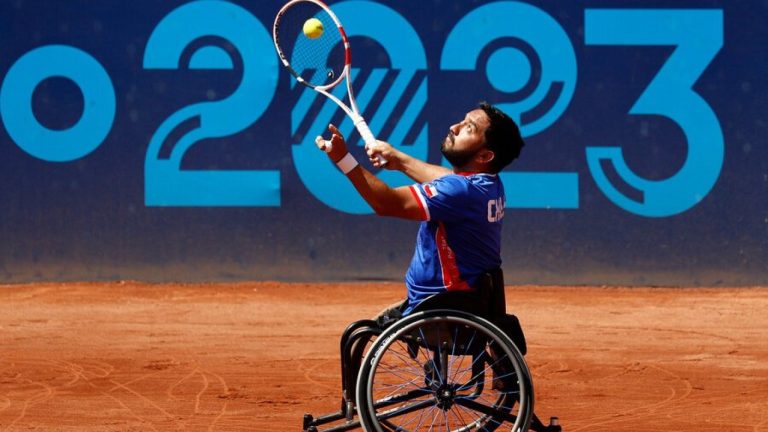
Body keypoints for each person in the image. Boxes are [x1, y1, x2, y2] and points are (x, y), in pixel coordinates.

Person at [315, 102, 524, 321]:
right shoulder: (490, 184)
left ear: (484, 156)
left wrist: (343, 159)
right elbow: (448, 180)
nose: (454, 127)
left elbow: (388, 203)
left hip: (440, 301)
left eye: (468, 128)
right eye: (462, 120)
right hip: (473, 298)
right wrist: (399, 160)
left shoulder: (459, 191)